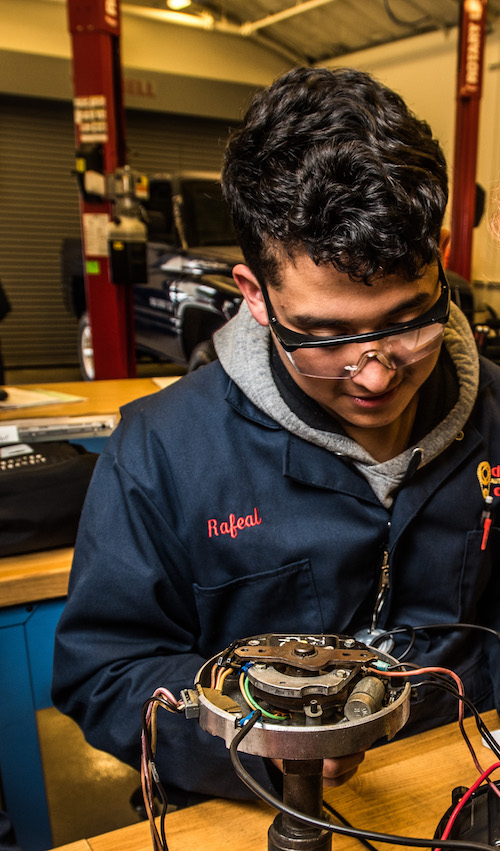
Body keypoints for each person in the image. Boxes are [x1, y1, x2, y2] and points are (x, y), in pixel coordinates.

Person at [51, 67, 500, 807]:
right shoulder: (164, 451)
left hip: (457, 785)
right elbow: (102, 670)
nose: (376, 375)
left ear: (443, 254)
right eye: (324, 335)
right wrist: (261, 747)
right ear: (255, 294)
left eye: (406, 319)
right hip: (250, 804)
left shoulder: (496, 416)